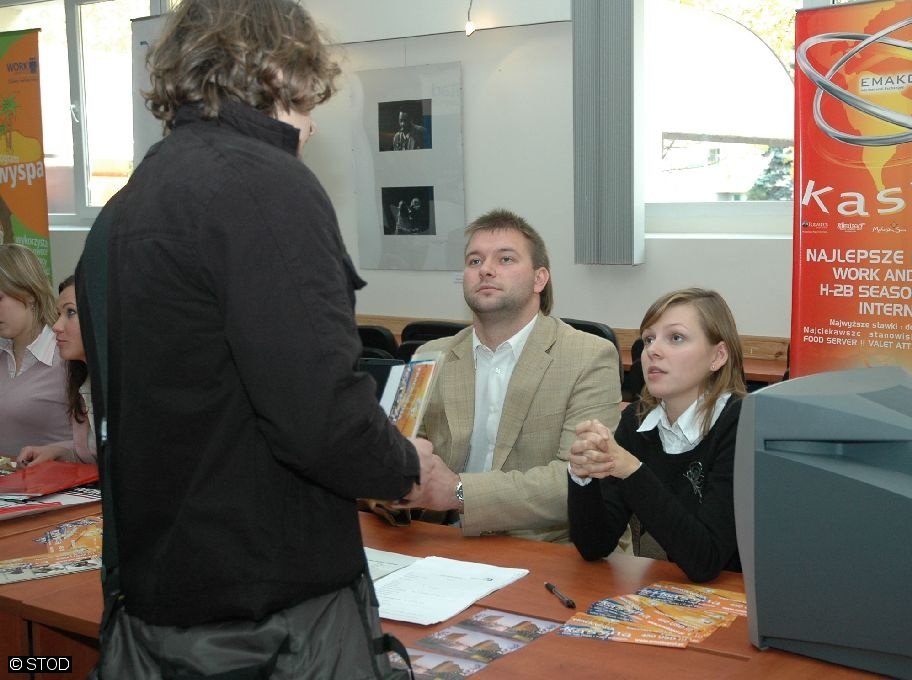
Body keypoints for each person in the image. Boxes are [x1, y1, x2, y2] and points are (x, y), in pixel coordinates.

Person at [75, 1, 447, 677]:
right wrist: (408, 468)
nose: (310, 123)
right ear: (278, 68)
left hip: (160, 607)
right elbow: (319, 415)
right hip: (271, 625)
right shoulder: (266, 186)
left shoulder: (129, 203)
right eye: (306, 101)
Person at [396, 209, 623, 544]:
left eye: (505, 259)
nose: (485, 269)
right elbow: (399, 453)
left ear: (539, 279)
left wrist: (459, 493)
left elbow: (577, 482)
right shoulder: (430, 356)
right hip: (443, 539)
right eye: (474, 261)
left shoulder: (589, 356)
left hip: (549, 547)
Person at [568, 288, 747, 582]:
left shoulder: (740, 424)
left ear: (717, 356)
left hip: (746, 593)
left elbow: (706, 560)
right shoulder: (637, 421)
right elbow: (594, 546)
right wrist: (582, 477)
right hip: (685, 593)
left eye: (675, 338)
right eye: (649, 339)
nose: (652, 351)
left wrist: (632, 471)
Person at [0, 244, 71, 455]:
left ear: (29, 293)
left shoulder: (67, 355)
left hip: (56, 475)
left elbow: (103, 440)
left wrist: (60, 452)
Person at [17, 276, 95, 466]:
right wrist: (58, 452)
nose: (56, 326)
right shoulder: (83, 381)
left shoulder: (135, 386)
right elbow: (96, 456)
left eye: (71, 312)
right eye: (59, 314)